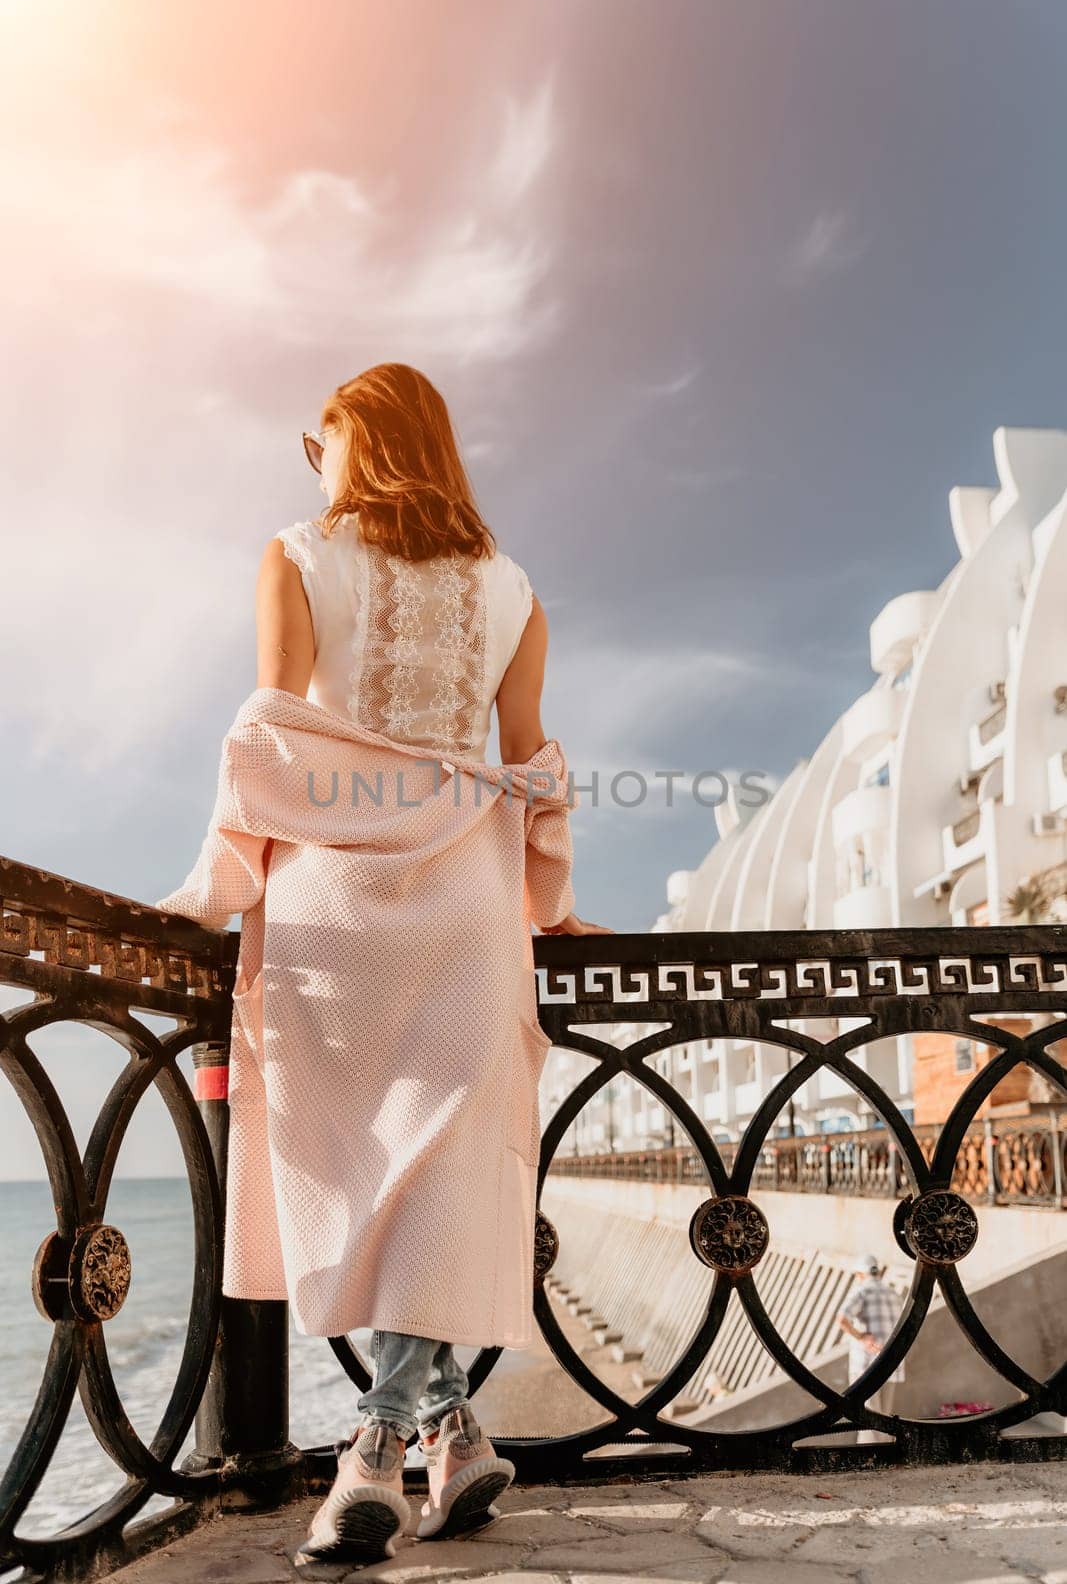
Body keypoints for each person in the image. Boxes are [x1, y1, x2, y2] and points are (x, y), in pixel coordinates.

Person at [231, 363, 612, 1565]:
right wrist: (549, 899)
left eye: (322, 439)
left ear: (364, 441)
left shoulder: (294, 555)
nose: (316, 463)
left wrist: (222, 877)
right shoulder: (516, 593)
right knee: (436, 1174)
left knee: (357, 1172)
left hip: (331, 909)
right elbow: (528, 761)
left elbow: (269, 734)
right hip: (463, 909)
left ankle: (371, 1452)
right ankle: (451, 1439)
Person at [836, 1252, 906, 1444]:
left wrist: (861, 1337)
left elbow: (842, 1318)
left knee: (866, 1418)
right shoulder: (894, 1295)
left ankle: (870, 1461)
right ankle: (888, 1459)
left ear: (860, 1274)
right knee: (885, 1418)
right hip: (891, 1365)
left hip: (867, 1366)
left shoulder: (861, 1291)